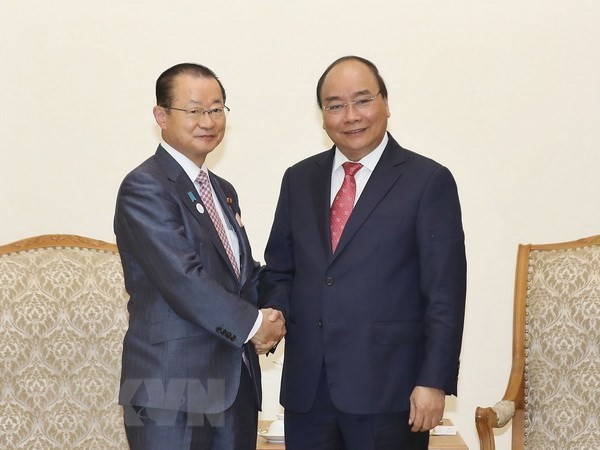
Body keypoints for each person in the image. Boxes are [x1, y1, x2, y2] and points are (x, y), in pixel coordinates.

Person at [259, 56, 467, 450]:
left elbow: (445, 293)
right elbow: (280, 270)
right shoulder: (298, 179)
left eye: (362, 100)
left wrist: (434, 381)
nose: (350, 115)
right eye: (335, 105)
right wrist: (274, 314)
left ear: (386, 103)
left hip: (391, 393)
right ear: (322, 115)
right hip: (308, 393)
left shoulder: (428, 181)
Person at [114, 62, 285, 450]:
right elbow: (183, 279)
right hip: (171, 391)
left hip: (234, 387)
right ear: (161, 116)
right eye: (194, 110)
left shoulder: (222, 190)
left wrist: (281, 299)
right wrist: (256, 325)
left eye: (217, 108)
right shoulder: (145, 186)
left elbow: (241, 277)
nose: (208, 120)